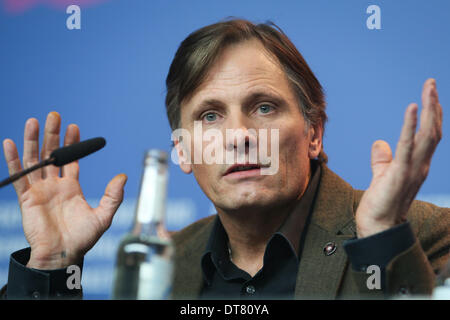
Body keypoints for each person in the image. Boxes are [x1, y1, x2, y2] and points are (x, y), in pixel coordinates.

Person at [1, 18, 449, 300]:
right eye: (210, 116)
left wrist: (382, 244)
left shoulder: (425, 235)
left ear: (313, 133)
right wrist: (53, 266)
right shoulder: (162, 266)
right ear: (182, 151)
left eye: (264, 107)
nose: (238, 136)